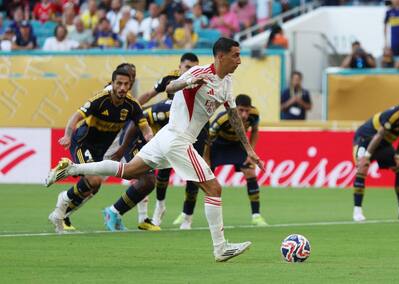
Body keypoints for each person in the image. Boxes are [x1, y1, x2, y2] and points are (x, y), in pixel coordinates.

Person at [46, 37, 262, 262]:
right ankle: (220, 248)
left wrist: (248, 149)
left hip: (167, 137)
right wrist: (186, 82)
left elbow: (234, 117)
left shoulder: (226, 83)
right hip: (177, 138)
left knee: (129, 171)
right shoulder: (200, 72)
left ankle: (70, 169)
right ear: (221, 56)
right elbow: (170, 86)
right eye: (236, 55)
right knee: (214, 189)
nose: (239, 60)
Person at [47, 65, 152, 233]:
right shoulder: (101, 99)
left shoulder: (132, 105)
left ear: (131, 84)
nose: (123, 87)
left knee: (94, 187)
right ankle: (62, 202)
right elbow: (76, 116)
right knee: (94, 180)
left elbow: (146, 129)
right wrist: (67, 135)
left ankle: (62, 213)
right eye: (119, 83)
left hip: (100, 150)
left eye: (127, 83)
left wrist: (152, 142)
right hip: (83, 143)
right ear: (113, 83)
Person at [115, 52, 203, 229]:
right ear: (180, 67)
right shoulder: (170, 79)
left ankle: (187, 217)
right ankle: (159, 208)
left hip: (194, 128)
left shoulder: (201, 80)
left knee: (195, 174)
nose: (191, 70)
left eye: (194, 67)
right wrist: (131, 109)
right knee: (161, 173)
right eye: (187, 67)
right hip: (170, 127)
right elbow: (149, 94)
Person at [172, 94, 267, 229]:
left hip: (237, 145)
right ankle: (186, 214)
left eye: (247, 110)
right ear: (235, 108)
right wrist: (206, 160)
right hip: (217, 146)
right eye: (241, 110)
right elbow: (208, 140)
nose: (245, 114)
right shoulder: (222, 119)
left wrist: (250, 152)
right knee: (200, 177)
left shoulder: (254, 115)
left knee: (251, 172)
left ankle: (256, 216)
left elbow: (255, 131)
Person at [352, 96, 399, 222]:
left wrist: (397, 153)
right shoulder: (392, 116)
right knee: (362, 167)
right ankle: (357, 211)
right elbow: (379, 135)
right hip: (364, 140)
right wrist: (367, 157)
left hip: (382, 143)